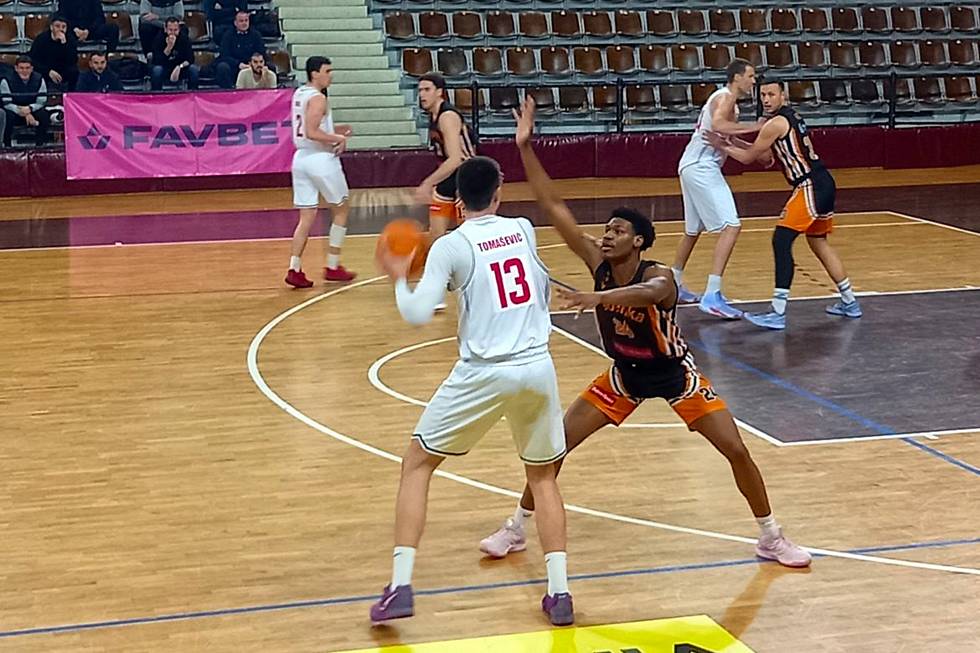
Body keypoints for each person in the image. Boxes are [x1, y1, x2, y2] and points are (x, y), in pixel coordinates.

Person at [478, 97, 811, 570]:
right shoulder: (599, 264)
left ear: (637, 241)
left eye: (617, 230)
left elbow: (648, 293)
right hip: (624, 376)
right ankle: (515, 528)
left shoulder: (660, 276)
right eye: (606, 229)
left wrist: (597, 299)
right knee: (554, 445)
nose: (606, 235)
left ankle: (772, 537)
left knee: (736, 450)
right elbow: (553, 207)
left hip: (676, 375)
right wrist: (526, 147)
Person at [370, 155, 573, 627]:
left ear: (457, 202)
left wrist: (399, 277)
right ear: (499, 194)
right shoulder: (523, 229)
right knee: (543, 478)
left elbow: (418, 314)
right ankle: (560, 593)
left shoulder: (451, 245)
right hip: (537, 366)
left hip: (486, 371)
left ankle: (400, 585)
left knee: (417, 463)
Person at [705, 81, 862, 330]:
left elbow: (748, 158)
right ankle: (850, 302)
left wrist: (722, 144)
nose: (766, 99)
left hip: (809, 185)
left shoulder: (775, 123)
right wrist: (735, 142)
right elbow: (766, 157)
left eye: (771, 94)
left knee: (781, 240)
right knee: (818, 241)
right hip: (824, 182)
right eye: (763, 95)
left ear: (783, 96)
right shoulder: (790, 117)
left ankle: (778, 312)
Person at [672, 58, 766, 320]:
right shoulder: (725, 98)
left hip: (690, 164)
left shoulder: (727, 102)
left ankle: (674, 283)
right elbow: (720, 126)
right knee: (731, 226)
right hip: (702, 167)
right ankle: (712, 295)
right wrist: (756, 127)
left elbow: (726, 136)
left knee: (692, 231)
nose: (754, 81)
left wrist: (756, 150)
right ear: (737, 77)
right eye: (751, 76)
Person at [285, 56, 356, 288]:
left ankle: (294, 268)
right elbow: (312, 132)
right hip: (320, 159)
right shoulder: (318, 98)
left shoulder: (299, 93)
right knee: (342, 208)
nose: (330, 75)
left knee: (306, 217)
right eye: (327, 71)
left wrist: (336, 129)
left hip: (300, 159)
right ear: (314, 73)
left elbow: (308, 126)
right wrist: (337, 138)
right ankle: (333, 266)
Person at [416, 72, 476, 241]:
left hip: (467, 175)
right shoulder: (433, 115)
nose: (422, 95)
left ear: (439, 92)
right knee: (436, 235)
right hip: (451, 176)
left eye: (427, 89)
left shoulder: (447, 116)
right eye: (420, 90)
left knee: (467, 235)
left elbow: (455, 159)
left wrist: (428, 183)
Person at [1, 56, 51, 148]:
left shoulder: (40, 79)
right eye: (21, 68)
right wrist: (23, 112)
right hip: (14, 111)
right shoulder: (6, 80)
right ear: (16, 68)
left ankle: (40, 145)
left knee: (44, 115)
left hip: (32, 109)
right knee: (7, 116)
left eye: (27, 68)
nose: (24, 71)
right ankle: (7, 145)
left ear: (32, 68)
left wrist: (29, 109)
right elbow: (6, 103)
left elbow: (41, 101)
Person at [215, 11, 265, 89]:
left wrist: (253, 64)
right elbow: (224, 55)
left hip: (252, 65)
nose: (244, 23)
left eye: (246, 20)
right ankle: (229, 92)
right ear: (235, 23)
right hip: (234, 66)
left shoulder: (256, 35)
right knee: (222, 67)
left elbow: (261, 52)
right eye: (241, 21)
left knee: (270, 67)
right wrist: (238, 64)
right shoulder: (228, 35)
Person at [28, 15, 79, 92]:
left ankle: (70, 96)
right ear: (51, 27)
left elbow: (72, 61)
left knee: (74, 71)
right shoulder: (41, 39)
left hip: (63, 71)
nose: (61, 29)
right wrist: (48, 72)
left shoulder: (70, 40)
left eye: (63, 27)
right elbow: (33, 60)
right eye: (57, 26)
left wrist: (64, 44)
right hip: (46, 70)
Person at [150, 17, 198, 91]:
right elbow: (156, 61)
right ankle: (156, 95)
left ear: (179, 29)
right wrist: (169, 47)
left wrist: (179, 67)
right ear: (165, 29)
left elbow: (190, 59)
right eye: (170, 30)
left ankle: (193, 94)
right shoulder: (159, 39)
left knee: (193, 69)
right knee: (157, 70)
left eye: (175, 30)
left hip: (180, 68)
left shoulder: (184, 38)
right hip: (165, 68)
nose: (173, 33)